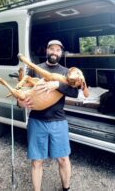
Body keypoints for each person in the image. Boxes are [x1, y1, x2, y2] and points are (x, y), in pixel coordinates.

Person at [18, 40, 78, 191]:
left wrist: (57, 85)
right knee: (37, 161)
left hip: (58, 120)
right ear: (47, 50)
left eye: (58, 50)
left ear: (61, 53)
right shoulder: (35, 69)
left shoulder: (66, 72)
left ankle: (66, 188)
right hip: (37, 120)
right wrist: (20, 103)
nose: (54, 52)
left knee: (64, 159)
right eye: (52, 49)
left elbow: (75, 92)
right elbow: (22, 92)